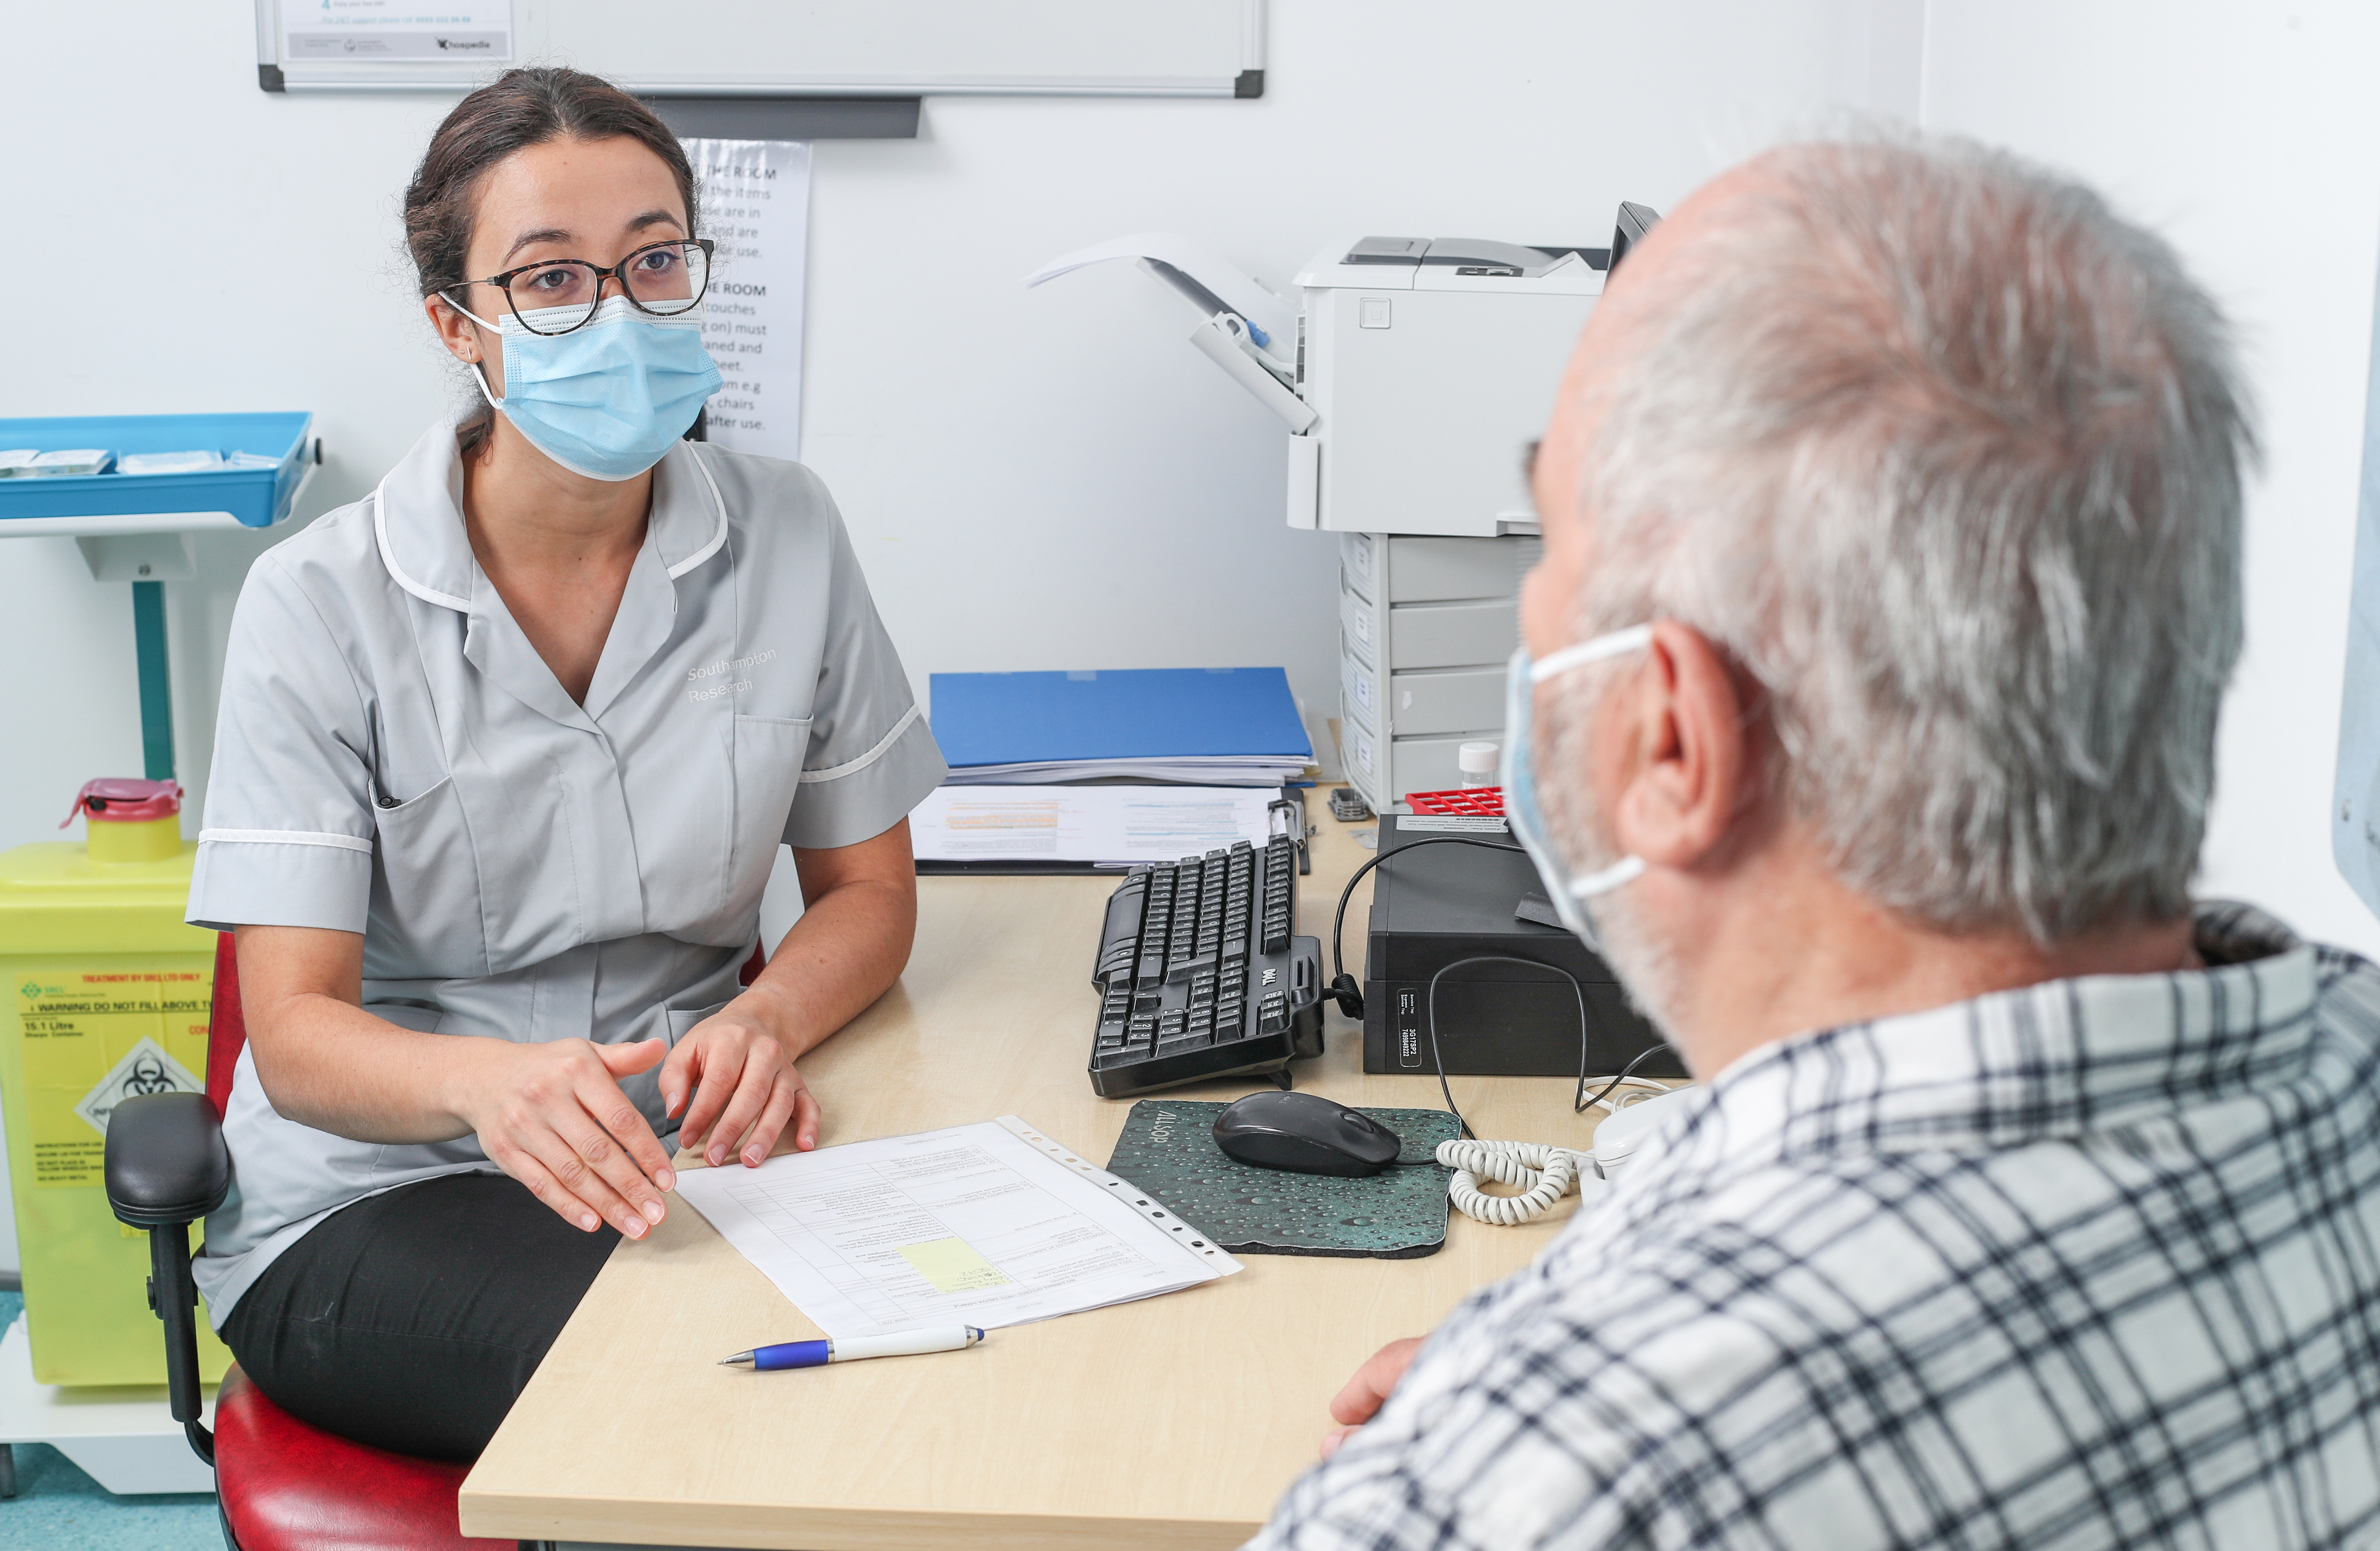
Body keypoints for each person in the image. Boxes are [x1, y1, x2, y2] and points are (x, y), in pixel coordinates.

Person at [1253, 136, 2380, 1547]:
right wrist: (1569, 1364)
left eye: (1546, 555)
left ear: (1673, 740)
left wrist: (1547, 1450)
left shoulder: (1527, 1493)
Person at [185, 67, 946, 1461]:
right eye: (550, 280)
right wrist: (491, 1088)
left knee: (937, 1334)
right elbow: (292, 1041)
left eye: (653, 260)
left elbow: (867, 894)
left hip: (695, 1157)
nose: (616, 309)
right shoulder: (320, 603)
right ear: (458, 327)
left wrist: (764, 1025)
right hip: (383, 1193)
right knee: (706, 1399)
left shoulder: (787, 531)